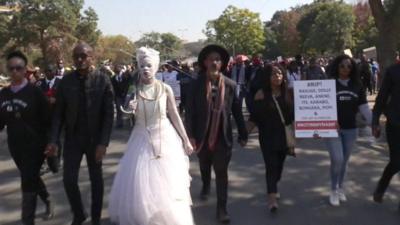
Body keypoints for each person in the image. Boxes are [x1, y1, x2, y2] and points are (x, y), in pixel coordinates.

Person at [108, 47, 195, 225]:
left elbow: (175, 116)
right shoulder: (134, 89)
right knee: (141, 183)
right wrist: (129, 109)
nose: (145, 69)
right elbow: (124, 113)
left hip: (165, 139)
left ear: (155, 67)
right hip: (140, 140)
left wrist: (186, 140)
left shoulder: (165, 89)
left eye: (148, 65)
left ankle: (166, 217)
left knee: (167, 183)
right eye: (142, 66)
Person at [45, 42, 114, 225]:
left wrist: (103, 143)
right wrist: (53, 140)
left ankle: (96, 218)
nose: (80, 59)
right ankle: (79, 214)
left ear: (92, 57)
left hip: (95, 140)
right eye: (76, 56)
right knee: (68, 180)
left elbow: (109, 115)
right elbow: (58, 114)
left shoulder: (102, 80)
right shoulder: (66, 81)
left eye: (84, 56)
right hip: (73, 139)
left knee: (96, 181)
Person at [185, 44, 248, 223]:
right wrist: (189, 135)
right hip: (201, 136)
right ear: (204, 62)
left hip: (222, 136)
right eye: (211, 59)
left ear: (222, 64)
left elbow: (236, 111)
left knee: (221, 172)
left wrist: (243, 134)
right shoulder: (195, 84)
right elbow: (189, 112)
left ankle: (222, 209)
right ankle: (205, 185)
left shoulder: (230, 85)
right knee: (205, 165)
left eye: (218, 59)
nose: (214, 62)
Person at [0, 51, 53, 224]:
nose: (14, 71)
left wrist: (52, 143)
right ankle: (47, 200)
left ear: (25, 70)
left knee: (27, 180)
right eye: (11, 68)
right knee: (30, 177)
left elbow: (49, 119)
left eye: (18, 68)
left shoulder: (35, 92)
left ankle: (27, 220)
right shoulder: (3, 95)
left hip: (35, 145)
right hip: (16, 147)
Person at [323, 55, 371, 206]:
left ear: (353, 68)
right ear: (337, 66)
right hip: (332, 129)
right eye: (342, 66)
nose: (345, 69)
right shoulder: (329, 84)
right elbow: (320, 106)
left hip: (351, 129)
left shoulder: (357, 85)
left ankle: (340, 188)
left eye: (349, 66)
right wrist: (319, 125)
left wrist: (374, 123)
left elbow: (363, 107)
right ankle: (333, 189)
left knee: (344, 162)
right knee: (337, 159)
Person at [249, 64, 293, 213]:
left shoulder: (288, 93)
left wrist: (312, 129)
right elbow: (254, 118)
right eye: (274, 74)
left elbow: (295, 115)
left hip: (284, 136)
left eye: (280, 74)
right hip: (267, 136)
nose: (278, 76)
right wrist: (244, 134)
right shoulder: (261, 94)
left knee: (279, 165)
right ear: (267, 77)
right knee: (271, 165)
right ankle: (272, 199)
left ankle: (274, 185)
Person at [372, 62, 400, 211]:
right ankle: (382, 186)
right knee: (396, 162)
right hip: (395, 124)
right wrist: (375, 120)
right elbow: (382, 97)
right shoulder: (393, 71)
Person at [111, 64, 132, 128]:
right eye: (116, 70)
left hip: (126, 95)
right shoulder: (113, 78)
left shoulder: (125, 76)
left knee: (127, 109)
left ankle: (128, 122)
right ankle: (119, 123)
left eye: (118, 69)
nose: (117, 71)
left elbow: (129, 82)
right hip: (118, 96)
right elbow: (112, 87)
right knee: (119, 109)